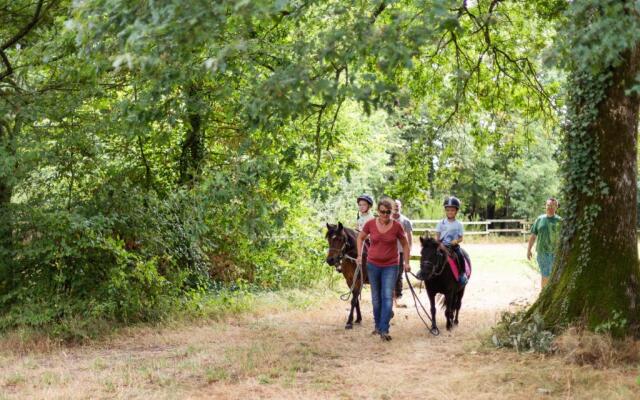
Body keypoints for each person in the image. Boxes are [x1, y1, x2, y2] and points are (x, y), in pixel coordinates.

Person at [356, 197, 411, 341]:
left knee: (387, 297)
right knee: (376, 298)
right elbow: (360, 238)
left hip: (391, 265)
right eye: (382, 212)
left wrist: (406, 262)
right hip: (373, 265)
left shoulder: (397, 226)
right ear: (378, 211)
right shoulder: (370, 224)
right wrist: (359, 254)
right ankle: (377, 326)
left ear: (392, 212)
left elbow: (405, 244)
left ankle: (384, 329)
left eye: (388, 212)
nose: (385, 215)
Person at [417, 196, 467, 284]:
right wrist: (438, 244)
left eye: (452, 210)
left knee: (460, 255)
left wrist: (455, 241)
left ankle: (462, 273)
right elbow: (438, 236)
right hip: (442, 245)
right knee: (430, 255)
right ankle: (423, 271)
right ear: (445, 211)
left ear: (456, 211)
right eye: (448, 210)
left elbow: (461, 238)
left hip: (453, 246)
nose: (450, 212)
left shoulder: (459, 224)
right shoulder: (441, 223)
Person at [527, 197, 562, 289]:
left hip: (556, 253)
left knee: (555, 276)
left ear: (556, 207)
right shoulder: (539, 219)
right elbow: (533, 236)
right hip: (542, 252)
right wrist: (529, 250)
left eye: (553, 206)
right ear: (545, 206)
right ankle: (543, 294)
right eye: (548, 205)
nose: (550, 208)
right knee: (545, 275)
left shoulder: (560, 221)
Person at [392, 199, 412, 308]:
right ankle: (390, 293)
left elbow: (409, 237)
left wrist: (409, 250)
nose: (395, 207)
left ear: (401, 207)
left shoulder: (405, 221)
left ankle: (398, 293)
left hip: (400, 250)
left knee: (399, 272)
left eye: (397, 205)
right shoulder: (387, 219)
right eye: (394, 205)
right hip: (389, 251)